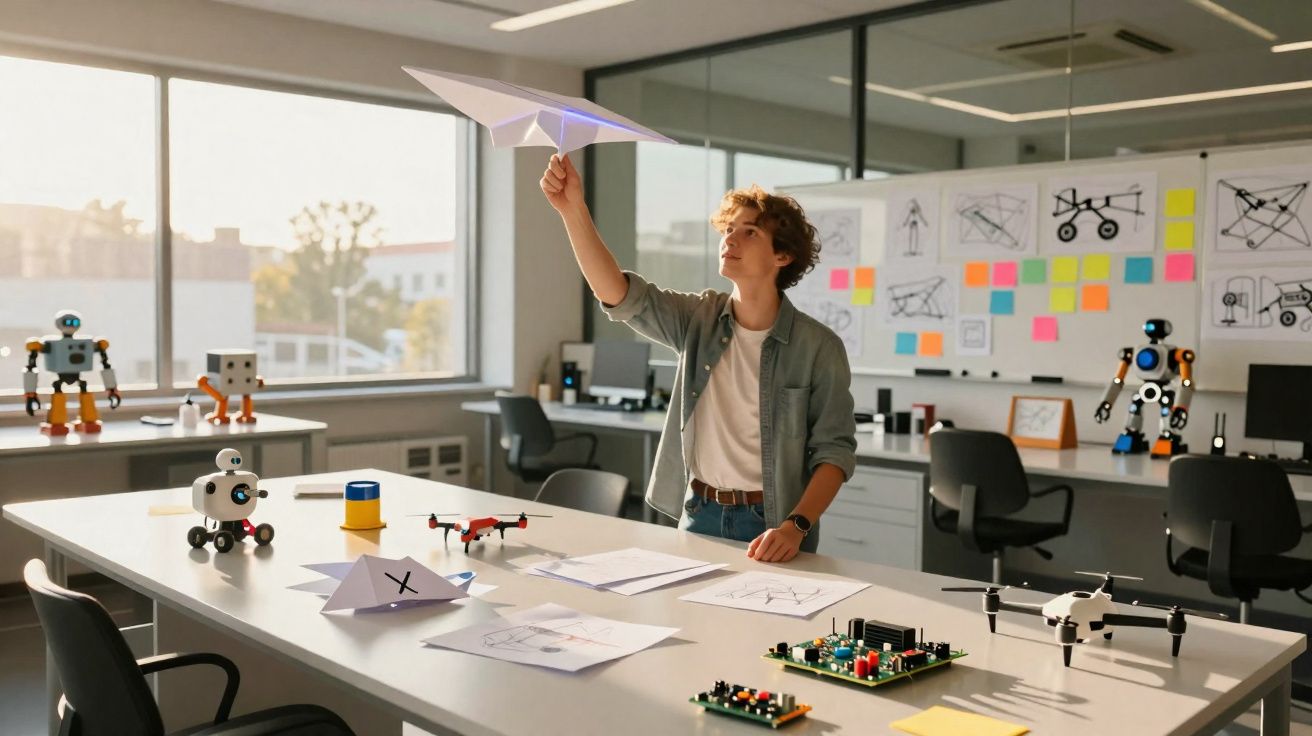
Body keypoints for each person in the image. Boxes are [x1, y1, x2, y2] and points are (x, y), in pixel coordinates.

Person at [540, 153, 856, 563]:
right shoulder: (699, 319)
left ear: (782, 256)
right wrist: (572, 209)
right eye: (728, 229)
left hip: (775, 526)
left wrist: (796, 526)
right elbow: (617, 293)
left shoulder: (819, 347)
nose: (730, 239)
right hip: (699, 514)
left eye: (749, 233)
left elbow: (835, 454)